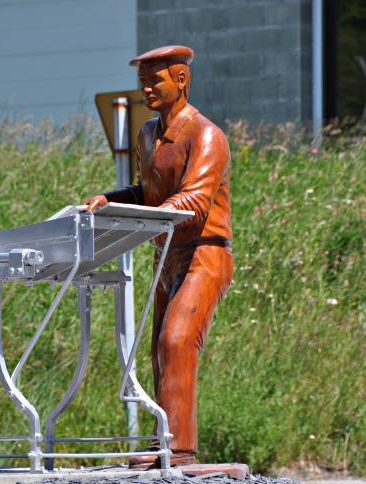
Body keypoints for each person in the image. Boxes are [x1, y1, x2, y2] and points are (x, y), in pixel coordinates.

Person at [84, 45, 233, 469]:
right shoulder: (147, 134)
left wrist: (142, 217)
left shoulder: (206, 135)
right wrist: (110, 201)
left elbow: (194, 203)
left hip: (204, 253)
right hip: (164, 252)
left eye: (155, 80)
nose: (146, 88)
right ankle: (163, 443)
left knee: (177, 340)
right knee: (158, 349)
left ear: (181, 80)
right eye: (142, 81)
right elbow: (147, 193)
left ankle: (180, 450)